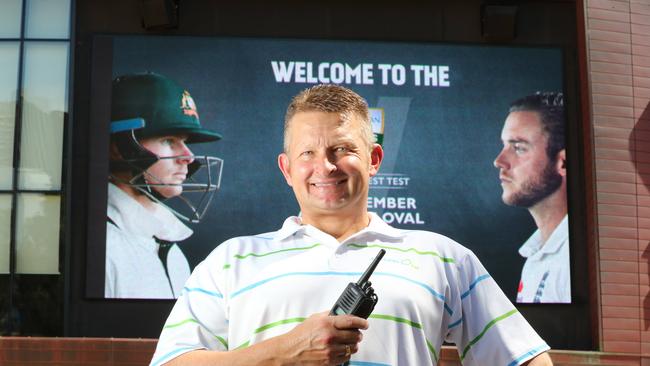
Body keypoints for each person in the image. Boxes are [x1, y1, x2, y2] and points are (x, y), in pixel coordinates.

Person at [150, 84, 553, 365]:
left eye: (342, 149)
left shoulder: (443, 257)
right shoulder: (230, 260)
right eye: (307, 152)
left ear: (375, 159)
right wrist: (284, 351)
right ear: (287, 168)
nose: (324, 166)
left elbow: (524, 357)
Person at [106, 72, 223, 299]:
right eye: (168, 141)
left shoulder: (172, 251)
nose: (188, 157)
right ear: (120, 146)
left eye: (185, 142)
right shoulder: (104, 246)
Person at [493, 92, 570, 304]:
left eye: (518, 147)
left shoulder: (575, 260)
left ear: (562, 163)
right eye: (504, 145)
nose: (499, 161)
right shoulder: (537, 255)